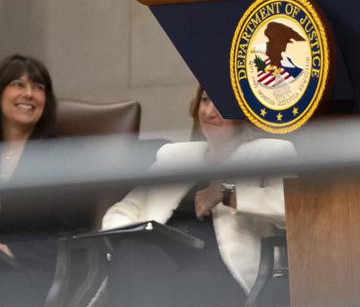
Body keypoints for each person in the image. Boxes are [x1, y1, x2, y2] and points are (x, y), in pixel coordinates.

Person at [102, 86, 296, 307]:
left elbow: (291, 210)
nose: (209, 112)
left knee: (188, 283)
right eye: (204, 101)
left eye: (220, 105)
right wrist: (140, 233)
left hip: (220, 266)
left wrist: (227, 193)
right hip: (161, 257)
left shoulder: (270, 153)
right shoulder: (174, 156)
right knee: (131, 255)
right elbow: (122, 211)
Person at [0, 54, 95, 306]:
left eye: (38, 87)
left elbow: (75, 234)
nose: (29, 93)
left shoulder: (65, 155)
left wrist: (12, 251)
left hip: (33, 271)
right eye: (18, 84)